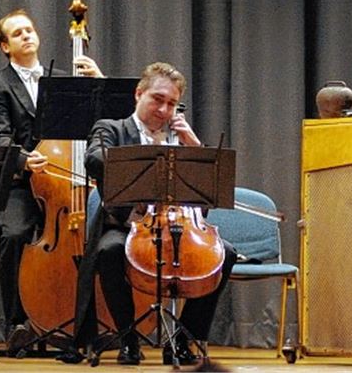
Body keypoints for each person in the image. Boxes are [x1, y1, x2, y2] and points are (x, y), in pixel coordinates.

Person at [74, 62, 237, 366]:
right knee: (108, 250)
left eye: (171, 104)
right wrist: (139, 162)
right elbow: (94, 159)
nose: (164, 110)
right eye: (157, 99)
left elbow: (207, 197)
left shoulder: (181, 137)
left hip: (179, 227)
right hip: (128, 224)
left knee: (224, 254)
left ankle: (185, 338)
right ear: (139, 94)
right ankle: (128, 339)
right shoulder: (110, 128)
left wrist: (194, 146)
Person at [0, 8, 104, 352]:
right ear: (5, 46)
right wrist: (23, 159)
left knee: (98, 237)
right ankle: (18, 324)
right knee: (16, 235)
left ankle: (82, 321)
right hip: (21, 183)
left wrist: (96, 82)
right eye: (17, 33)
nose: (26, 36)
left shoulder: (64, 79)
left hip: (66, 184)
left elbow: (102, 123)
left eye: (29, 30)